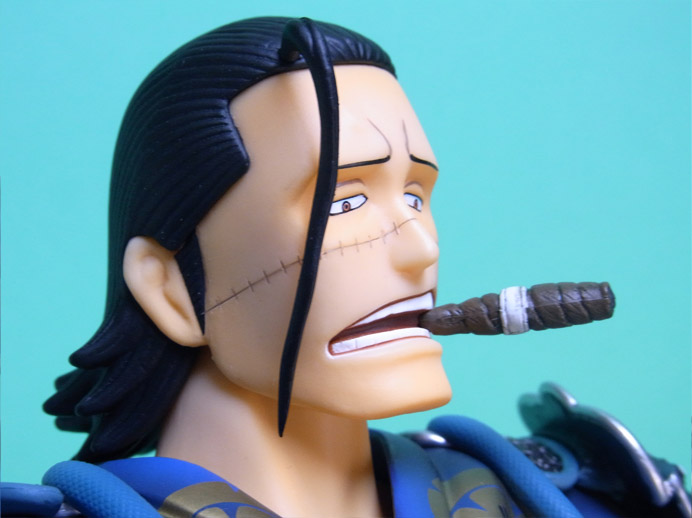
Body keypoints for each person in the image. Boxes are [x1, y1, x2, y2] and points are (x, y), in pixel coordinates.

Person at [3, 16, 688, 518]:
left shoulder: (577, 496)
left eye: (416, 196)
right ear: (171, 288)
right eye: (344, 200)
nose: (421, 249)